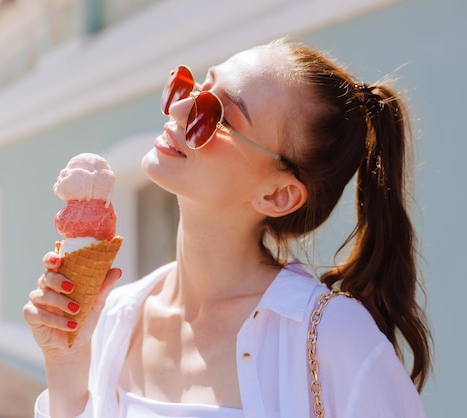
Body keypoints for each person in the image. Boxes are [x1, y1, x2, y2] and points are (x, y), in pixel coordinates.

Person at [23, 38, 431, 418]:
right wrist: (66, 369)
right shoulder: (114, 315)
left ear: (278, 196)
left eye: (216, 116)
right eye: (194, 86)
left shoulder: (334, 337)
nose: (179, 110)